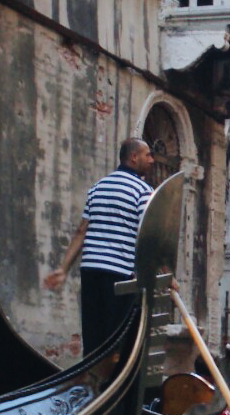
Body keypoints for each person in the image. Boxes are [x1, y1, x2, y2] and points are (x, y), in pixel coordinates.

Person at [44, 138, 155, 354]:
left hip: (91, 271)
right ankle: (111, 383)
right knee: (118, 343)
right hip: (120, 276)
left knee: (94, 338)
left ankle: (93, 382)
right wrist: (167, 274)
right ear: (134, 157)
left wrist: (63, 269)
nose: (152, 160)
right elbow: (149, 238)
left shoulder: (97, 187)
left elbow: (81, 231)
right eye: (148, 155)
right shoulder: (144, 191)